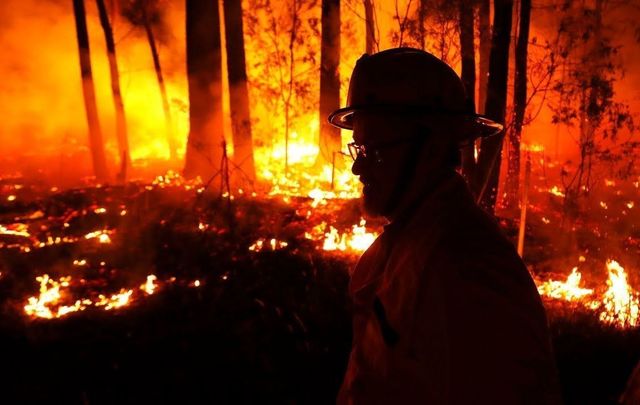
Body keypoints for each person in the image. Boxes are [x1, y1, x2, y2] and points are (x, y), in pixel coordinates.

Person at [328, 48, 562, 404]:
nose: (358, 169)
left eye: (374, 151)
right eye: (358, 150)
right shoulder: (411, 242)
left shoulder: (469, 270)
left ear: (434, 147)